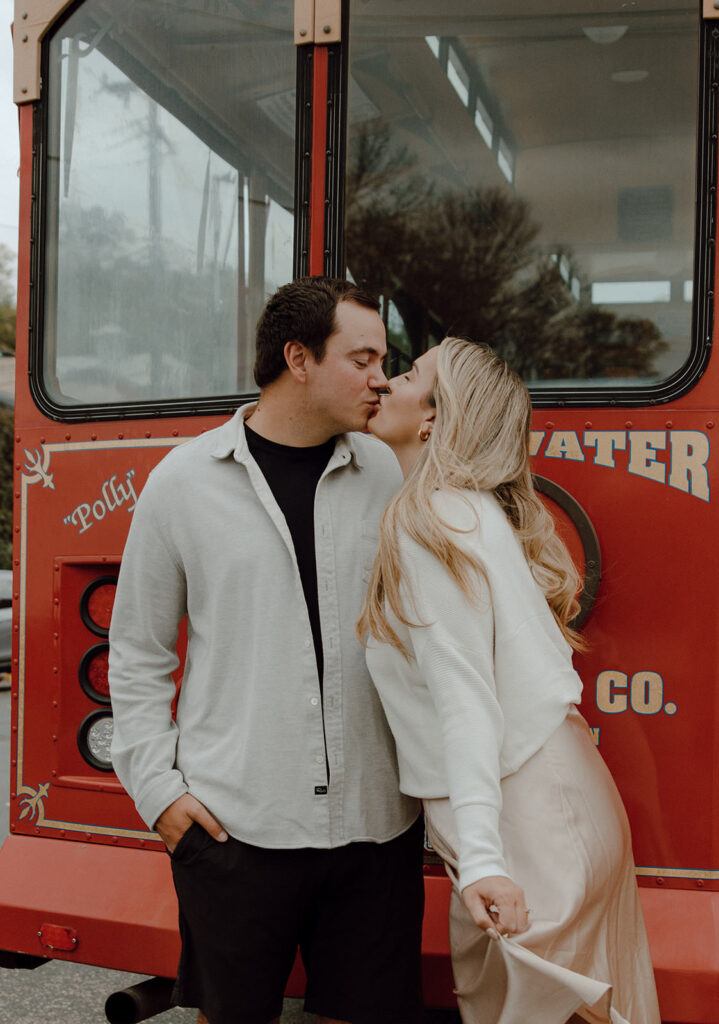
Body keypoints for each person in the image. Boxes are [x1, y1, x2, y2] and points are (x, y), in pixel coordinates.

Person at [108, 277, 424, 1024]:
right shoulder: (182, 483)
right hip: (234, 831)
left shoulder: (387, 472)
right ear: (298, 358)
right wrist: (159, 794)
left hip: (377, 828)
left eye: (384, 359)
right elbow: (138, 652)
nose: (381, 377)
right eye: (363, 357)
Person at [359, 338, 661, 1024]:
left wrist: (486, 861)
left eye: (407, 375)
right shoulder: (465, 510)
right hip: (545, 788)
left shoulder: (430, 518)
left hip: (525, 810)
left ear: (435, 418)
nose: (384, 383)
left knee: (522, 1007)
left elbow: (465, 703)